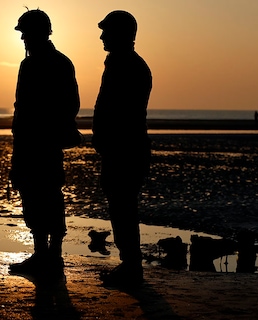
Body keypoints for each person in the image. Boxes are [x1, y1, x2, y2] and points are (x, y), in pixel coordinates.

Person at [9, 9, 80, 276]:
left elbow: (69, 105)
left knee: (47, 196)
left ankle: (51, 256)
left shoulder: (53, 64)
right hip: (31, 143)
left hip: (43, 144)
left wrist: (46, 130)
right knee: (36, 196)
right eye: (23, 33)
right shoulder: (45, 63)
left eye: (26, 33)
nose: (23, 38)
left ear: (40, 33)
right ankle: (45, 255)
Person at [92, 10, 152, 286]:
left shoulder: (125, 65)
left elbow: (120, 111)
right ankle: (129, 264)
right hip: (122, 148)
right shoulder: (124, 63)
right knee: (121, 206)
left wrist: (106, 138)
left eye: (107, 31)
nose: (102, 36)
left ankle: (131, 266)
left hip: (124, 150)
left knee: (123, 207)